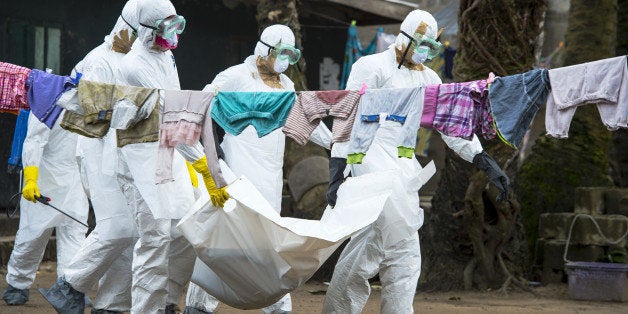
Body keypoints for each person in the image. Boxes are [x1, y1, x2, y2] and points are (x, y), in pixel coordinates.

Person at [322, 9, 509, 313]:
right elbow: (346, 117)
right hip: (370, 157)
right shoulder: (371, 66)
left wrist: (483, 159)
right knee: (375, 240)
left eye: (432, 46)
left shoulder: (430, 78)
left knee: (405, 252)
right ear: (404, 38)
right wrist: (337, 168)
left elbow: (451, 125)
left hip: (404, 163)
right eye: (421, 44)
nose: (426, 52)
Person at [184, 24, 332, 314]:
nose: (286, 60)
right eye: (282, 53)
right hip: (235, 172)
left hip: (271, 177)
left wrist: (334, 143)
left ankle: (277, 306)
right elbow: (199, 105)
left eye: (291, 54)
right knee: (223, 239)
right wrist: (208, 158)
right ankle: (198, 305)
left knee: (268, 241)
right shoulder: (235, 77)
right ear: (264, 50)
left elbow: (303, 120)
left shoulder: (287, 86)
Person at [115, 0, 227, 312]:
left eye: (177, 24)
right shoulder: (134, 66)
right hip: (140, 159)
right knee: (155, 240)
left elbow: (180, 110)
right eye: (167, 27)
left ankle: (167, 301)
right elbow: (172, 117)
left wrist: (193, 162)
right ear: (148, 30)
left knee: (184, 231)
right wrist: (204, 165)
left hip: (169, 152)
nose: (174, 33)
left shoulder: (167, 57)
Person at [38, 1, 140, 313]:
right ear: (125, 28)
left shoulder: (144, 62)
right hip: (99, 151)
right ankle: (67, 286)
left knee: (131, 233)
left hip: (132, 153)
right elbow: (93, 113)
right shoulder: (99, 60)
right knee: (117, 226)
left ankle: (113, 304)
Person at [1, 50, 89, 309]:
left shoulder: (92, 105)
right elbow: (34, 142)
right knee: (32, 236)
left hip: (75, 182)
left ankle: (70, 287)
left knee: (75, 235)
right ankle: (18, 283)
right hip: (44, 180)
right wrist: (30, 179)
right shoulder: (52, 99)